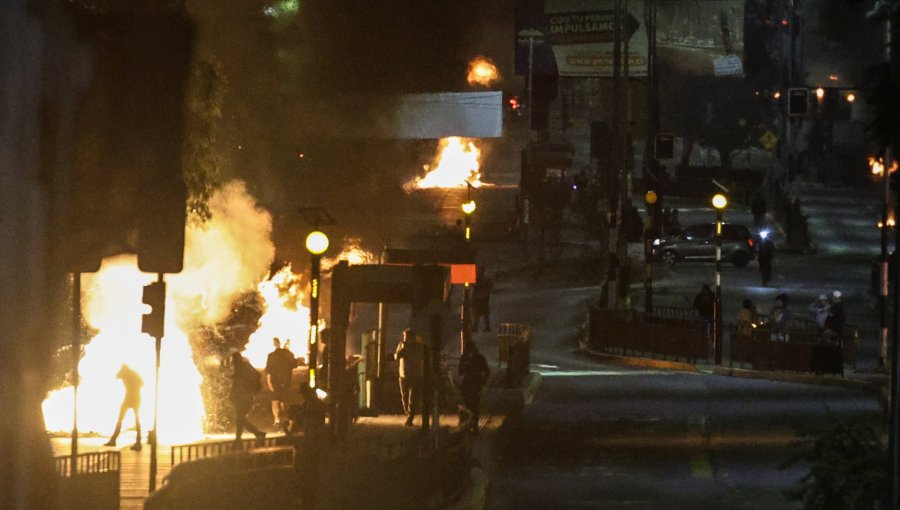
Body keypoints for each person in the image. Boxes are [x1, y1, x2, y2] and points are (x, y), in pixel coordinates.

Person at [104, 363, 144, 450]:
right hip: (132, 397)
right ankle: (137, 442)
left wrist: (132, 384)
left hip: (133, 397)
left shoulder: (130, 374)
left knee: (126, 419)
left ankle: (136, 442)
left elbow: (142, 383)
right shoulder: (130, 373)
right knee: (130, 419)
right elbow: (117, 376)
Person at [230, 352, 266, 442]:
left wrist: (232, 395)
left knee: (240, 418)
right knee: (240, 417)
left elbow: (237, 385)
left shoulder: (241, 369)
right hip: (247, 396)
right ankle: (257, 433)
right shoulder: (246, 367)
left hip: (243, 397)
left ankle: (241, 437)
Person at [265, 337, 297, 432]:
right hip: (285, 380)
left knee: (275, 400)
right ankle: (284, 417)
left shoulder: (271, 355)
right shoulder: (289, 354)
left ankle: (277, 420)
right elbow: (294, 364)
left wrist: (269, 382)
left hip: (274, 381)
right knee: (283, 400)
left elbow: (268, 370)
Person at [394, 329, 424, 426]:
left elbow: (421, 356)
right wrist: (402, 349)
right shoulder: (402, 345)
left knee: (413, 397)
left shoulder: (418, 347)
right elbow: (396, 356)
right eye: (404, 336)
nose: (405, 338)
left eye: (407, 336)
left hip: (415, 374)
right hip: (404, 374)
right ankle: (408, 414)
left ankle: (410, 416)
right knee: (405, 396)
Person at [458, 341, 490, 435]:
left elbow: (487, 371)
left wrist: (483, 381)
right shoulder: (465, 358)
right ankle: (470, 426)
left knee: (474, 406)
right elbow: (460, 371)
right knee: (469, 406)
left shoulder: (479, 358)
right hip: (468, 385)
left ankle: (475, 426)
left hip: (475, 385)